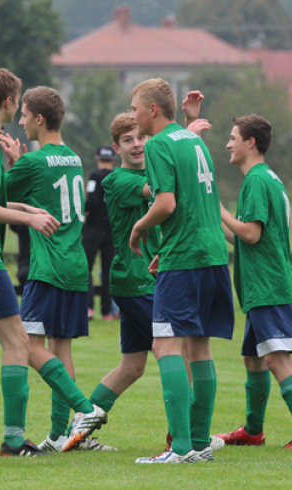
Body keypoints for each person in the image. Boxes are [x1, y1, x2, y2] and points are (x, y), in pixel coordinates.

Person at [85, 94, 215, 453]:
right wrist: (185, 137)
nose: (137, 144)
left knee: (131, 366)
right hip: (138, 279)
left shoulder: (156, 161)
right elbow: (163, 192)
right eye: (128, 140)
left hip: (147, 277)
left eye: (139, 137)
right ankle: (185, 436)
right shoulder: (117, 181)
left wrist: (184, 135)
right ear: (116, 148)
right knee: (174, 348)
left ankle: (78, 426)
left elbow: (178, 179)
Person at [128, 78, 234, 464]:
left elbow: (167, 203)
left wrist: (139, 228)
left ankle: (181, 448)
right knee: (199, 348)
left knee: (165, 346)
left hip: (185, 258)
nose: (132, 115)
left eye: (135, 107)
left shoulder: (157, 144)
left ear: (152, 110)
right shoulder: (193, 140)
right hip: (212, 255)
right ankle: (201, 444)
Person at [0, 85, 108, 453]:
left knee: (28, 347)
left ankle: (84, 410)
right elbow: (43, 190)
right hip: (77, 265)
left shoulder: (34, 161)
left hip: (48, 267)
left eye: (25, 114)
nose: (21, 121)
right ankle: (62, 436)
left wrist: (15, 163)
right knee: (61, 349)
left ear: (40, 118)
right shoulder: (74, 158)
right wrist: (20, 162)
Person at [217, 115, 292, 449]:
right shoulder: (267, 179)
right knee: (253, 359)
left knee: (277, 358)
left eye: (233, 137)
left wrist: (219, 210)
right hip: (259, 287)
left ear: (251, 143)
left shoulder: (257, 181)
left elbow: (250, 233)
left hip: (268, 286)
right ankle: (253, 430)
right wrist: (212, 217)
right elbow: (245, 237)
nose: (228, 144)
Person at [83, 146, 118, 321]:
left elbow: (92, 201)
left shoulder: (95, 177)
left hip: (93, 229)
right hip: (112, 229)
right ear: (113, 159)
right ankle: (107, 312)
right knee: (108, 271)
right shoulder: (117, 177)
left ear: (98, 159)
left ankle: (88, 308)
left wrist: (83, 211)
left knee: (86, 268)